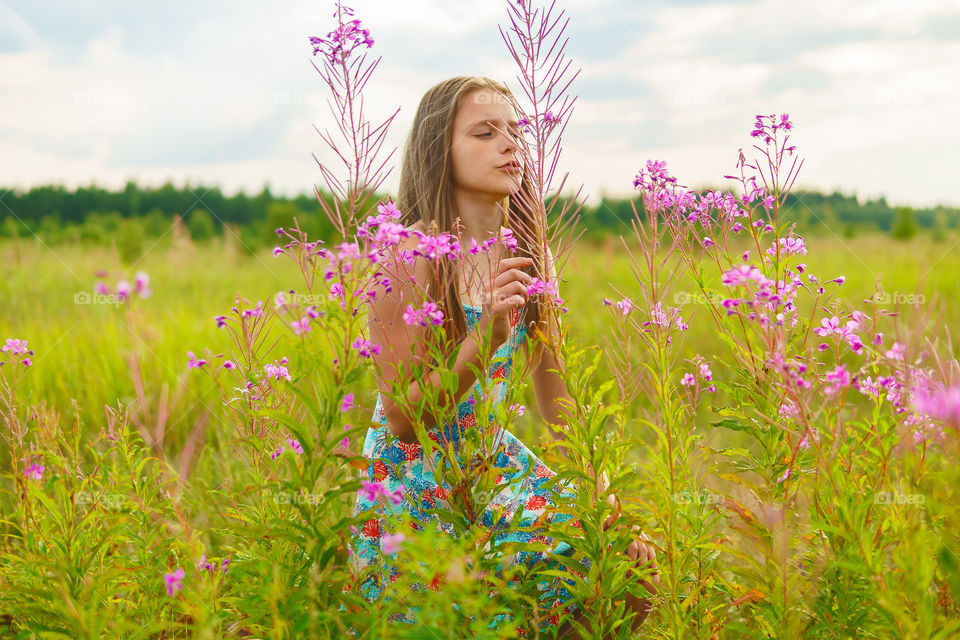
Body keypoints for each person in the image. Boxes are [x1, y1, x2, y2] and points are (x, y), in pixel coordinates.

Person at [347, 75, 657, 637]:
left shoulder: (531, 258)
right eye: (486, 133)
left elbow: (557, 404)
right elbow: (403, 419)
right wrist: (482, 338)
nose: (510, 144)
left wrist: (604, 502)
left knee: (626, 570)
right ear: (440, 152)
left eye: (515, 131)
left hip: (493, 466)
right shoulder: (409, 254)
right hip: (417, 486)